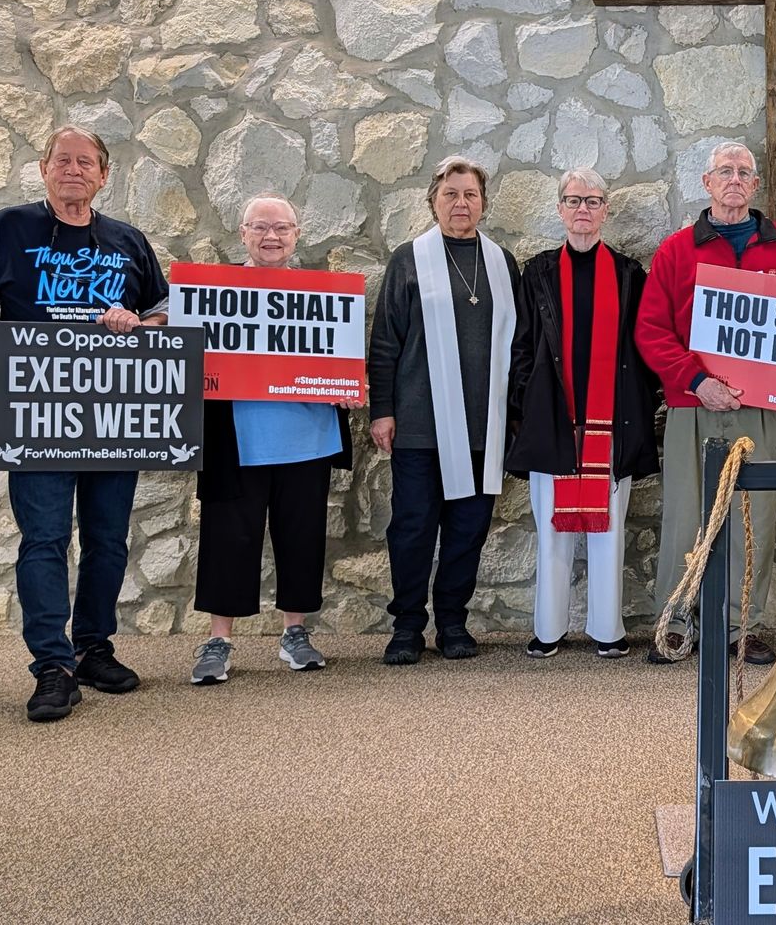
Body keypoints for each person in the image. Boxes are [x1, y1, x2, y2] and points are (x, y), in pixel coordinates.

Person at [0, 126, 169, 721]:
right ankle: (51, 665)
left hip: (115, 411)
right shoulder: (8, 227)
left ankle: (93, 647)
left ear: (104, 176)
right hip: (35, 410)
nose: (74, 170)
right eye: (63, 160)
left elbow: (160, 310)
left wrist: (141, 326)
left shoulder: (128, 239)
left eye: (86, 163)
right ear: (44, 169)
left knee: (108, 538)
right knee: (45, 539)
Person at [636, 141, 776, 666]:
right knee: (688, 511)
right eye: (724, 171)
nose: (734, 179)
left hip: (761, 405)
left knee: (754, 512)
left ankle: (745, 625)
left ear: (755, 186)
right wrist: (694, 379)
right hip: (694, 401)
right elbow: (651, 330)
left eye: (744, 172)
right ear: (707, 183)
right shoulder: (676, 249)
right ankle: (677, 619)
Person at [189, 195, 357, 686]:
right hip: (235, 441)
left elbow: (341, 361)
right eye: (261, 227)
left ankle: (295, 632)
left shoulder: (323, 296)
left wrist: (346, 388)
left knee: (301, 539)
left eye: (282, 228)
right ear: (242, 234)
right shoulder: (213, 293)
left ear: (297, 235)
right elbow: (187, 352)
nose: (271, 237)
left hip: (308, 440)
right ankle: (219, 639)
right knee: (226, 539)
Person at [368, 156, 521, 666]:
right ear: (433, 201)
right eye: (450, 194)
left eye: (470, 194)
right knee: (412, 527)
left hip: (484, 425)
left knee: (468, 527)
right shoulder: (408, 260)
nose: (461, 203)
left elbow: (517, 346)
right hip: (418, 423)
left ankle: (452, 620)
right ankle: (408, 624)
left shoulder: (502, 262)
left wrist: (515, 414)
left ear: (483, 202)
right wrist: (382, 410)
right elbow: (385, 341)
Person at [505, 169, 661, 660]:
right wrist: (526, 403)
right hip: (553, 416)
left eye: (593, 201)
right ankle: (548, 628)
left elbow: (643, 347)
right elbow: (523, 344)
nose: (583, 210)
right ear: (560, 209)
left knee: (610, 527)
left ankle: (607, 629)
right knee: (551, 526)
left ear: (605, 210)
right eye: (574, 200)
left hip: (611, 421)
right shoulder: (538, 272)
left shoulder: (630, 273)